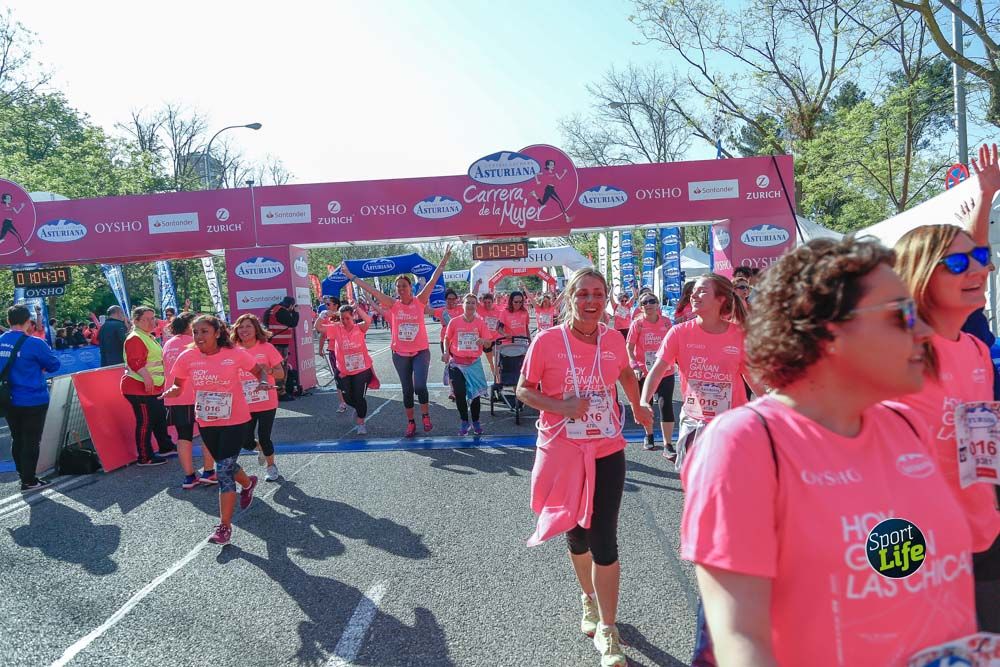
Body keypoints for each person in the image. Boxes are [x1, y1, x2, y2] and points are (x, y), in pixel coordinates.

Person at [683, 237, 991, 667]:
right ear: (828, 331)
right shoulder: (745, 443)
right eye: (902, 315)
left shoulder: (905, 426)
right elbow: (740, 640)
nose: (923, 330)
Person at [516, 268, 652, 667]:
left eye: (598, 294)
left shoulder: (613, 339)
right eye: (583, 294)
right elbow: (524, 390)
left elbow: (624, 371)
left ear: (606, 298)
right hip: (562, 448)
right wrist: (562, 406)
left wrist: (638, 404)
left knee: (604, 537)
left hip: (607, 446)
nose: (591, 301)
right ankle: (588, 599)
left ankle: (608, 630)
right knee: (577, 536)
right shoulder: (546, 342)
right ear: (570, 298)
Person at [894, 223, 1000, 631]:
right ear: (919, 273)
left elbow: (979, 448)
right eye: (957, 263)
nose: (979, 270)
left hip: (983, 537)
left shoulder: (975, 350)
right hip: (919, 553)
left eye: (982, 259)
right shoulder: (897, 351)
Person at [161, 315, 268, 546]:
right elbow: (178, 385)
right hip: (208, 420)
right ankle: (248, 483)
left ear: (217, 333)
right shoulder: (187, 356)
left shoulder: (234, 354)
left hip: (236, 419)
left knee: (223, 471)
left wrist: (263, 381)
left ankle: (224, 527)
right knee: (225, 463)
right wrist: (172, 391)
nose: (198, 337)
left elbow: (259, 371)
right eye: (195, 332)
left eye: (204, 332)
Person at [642, 274, 756, 467]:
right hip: (695, 423)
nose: (694, 296)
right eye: (693, 291)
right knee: (696, 488)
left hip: (732, 424)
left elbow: (753, 378)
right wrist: (644, 401)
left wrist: (776, 409)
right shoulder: (679, 333)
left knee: (729, 486)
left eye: (702, 291)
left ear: (721, 299)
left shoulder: (739, 335)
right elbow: (657, 370)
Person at [341, 245, 452, 437]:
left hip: (420, 352)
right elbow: (371, 289)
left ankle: (425, 416)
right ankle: (410, 423)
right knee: (407, 390)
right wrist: (351, 276)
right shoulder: (393, 304)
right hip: (399, 354)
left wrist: (443, 261)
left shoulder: (420, 300)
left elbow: (433, 279)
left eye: (404, 286)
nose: (401, 289)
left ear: (410, 287)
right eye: (398, 286)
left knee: (419, 386)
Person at [0, 305, 60, 491]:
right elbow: (54, 365)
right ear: (28, 321)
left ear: (8, 321)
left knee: (17, 438)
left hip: (8, 398)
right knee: (31, 440)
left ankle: (22, 475)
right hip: (33, 398)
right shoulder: (35, 343)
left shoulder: (1, 341)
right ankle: (29, 480)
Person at [162, 313, 217, 489]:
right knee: (207, 434)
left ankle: (189, 477)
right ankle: (208, 472)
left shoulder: (168, 343)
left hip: (176, 396)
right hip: (198, 393)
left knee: (183, 436)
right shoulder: (194, 343)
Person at [120, 306, 177, 466]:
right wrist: (147, 379)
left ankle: (165, 446)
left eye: (153, 318)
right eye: (147, 319)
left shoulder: (146, 336)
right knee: (145, 421)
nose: (152, 322)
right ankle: (145, 456)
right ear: (136, 321)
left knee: (159, 418)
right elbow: (135, 361)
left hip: (151, 386)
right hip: (140, 387)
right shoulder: (136, 337)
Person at [232, 314, 286, 483]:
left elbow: (281, 373)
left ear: (256, 329)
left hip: (265, 400)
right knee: (245, 441)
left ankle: (271, 467)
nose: (244, 330)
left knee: (264, 435)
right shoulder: (232, 350)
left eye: (248, 326)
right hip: (243, 402)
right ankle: (261, 448)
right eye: (240, 327)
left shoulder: (266, 348)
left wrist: (268, 371)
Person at [626, 293, 675, 451]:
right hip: (644, 371)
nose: (648, 304)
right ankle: (649, 436)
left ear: (658, 304)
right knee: (647, 405)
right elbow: (629, 347)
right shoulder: (638, 324)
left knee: (665, 404)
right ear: (640, 307)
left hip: (664, 371)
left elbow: (674, 345)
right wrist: (634, 365)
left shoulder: (666, 322)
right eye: (644, 302)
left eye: (652, 301)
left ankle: (668, 443)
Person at [443, 294, 491, 435]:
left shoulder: (480, 323)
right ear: (462, 304)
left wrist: (483, 341)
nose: (470, 305)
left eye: (473, 303)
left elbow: (488, 342)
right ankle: (464, 421)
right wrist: (446, 352)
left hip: (473, 364)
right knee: (459, 393)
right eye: (467, 302)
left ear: (476, 306)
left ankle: (475, 421)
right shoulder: (454, 322)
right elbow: (447, 338)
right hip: (457, 363)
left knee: (475, 396)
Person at [327, 303, 376, 434]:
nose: (345, 321)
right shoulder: (337, 329)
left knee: (359, 397)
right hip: (344, 371)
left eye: (347, 318)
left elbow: (368, 320)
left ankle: (361, 422)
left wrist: (358, 308)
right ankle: (360, 409)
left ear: (353, 317)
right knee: (348, 398)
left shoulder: (359, 328)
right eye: (342, 318)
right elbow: (318, 327)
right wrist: (323, 315)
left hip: (361, 369)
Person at [262, 296, 300, 400]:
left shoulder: (271, 310)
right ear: (291, 305)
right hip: (280, 345)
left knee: (275, 368)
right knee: (281, 369)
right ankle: (281, 392)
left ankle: (276, 391)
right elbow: (293, 323)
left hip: (273, 343)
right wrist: (296, 312)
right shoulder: (282, 311)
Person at [530, 158, 572, 223]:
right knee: (559, 202)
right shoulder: (544, 172)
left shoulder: (554, 172)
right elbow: (536, 174)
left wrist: (564, 172)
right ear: (547, 166)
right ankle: (566, 217)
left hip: (552, 189)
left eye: (553, 165)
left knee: (542, 203)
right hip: (548, 189)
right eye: (551, 165)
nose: (553, 166)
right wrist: (537, 181)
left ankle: (534, 194)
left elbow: (559, 178)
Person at [477, 292, 502, 378]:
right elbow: (472, 296)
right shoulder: (481, 310)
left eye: (489, 302)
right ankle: (495, 377)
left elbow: (502, 325)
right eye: (485, 302)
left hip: (495, 339)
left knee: (496, 361)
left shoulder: (498, 312)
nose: (487, 304)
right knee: (491, 361)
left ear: (493, 302)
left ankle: (498, 380)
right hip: (485, 341)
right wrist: (477, 284)